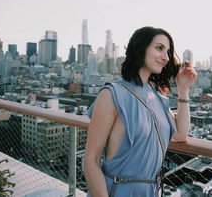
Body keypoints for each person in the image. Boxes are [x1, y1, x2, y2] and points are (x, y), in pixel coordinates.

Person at [84, 26, 197, 197]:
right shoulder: (112, 94)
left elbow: (180, 134)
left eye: (168, 51)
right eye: (159, 48)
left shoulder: (156, 94)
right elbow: (91, 160)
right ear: (140, 47)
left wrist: (183, 89)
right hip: (117, 191)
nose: (166, 57)